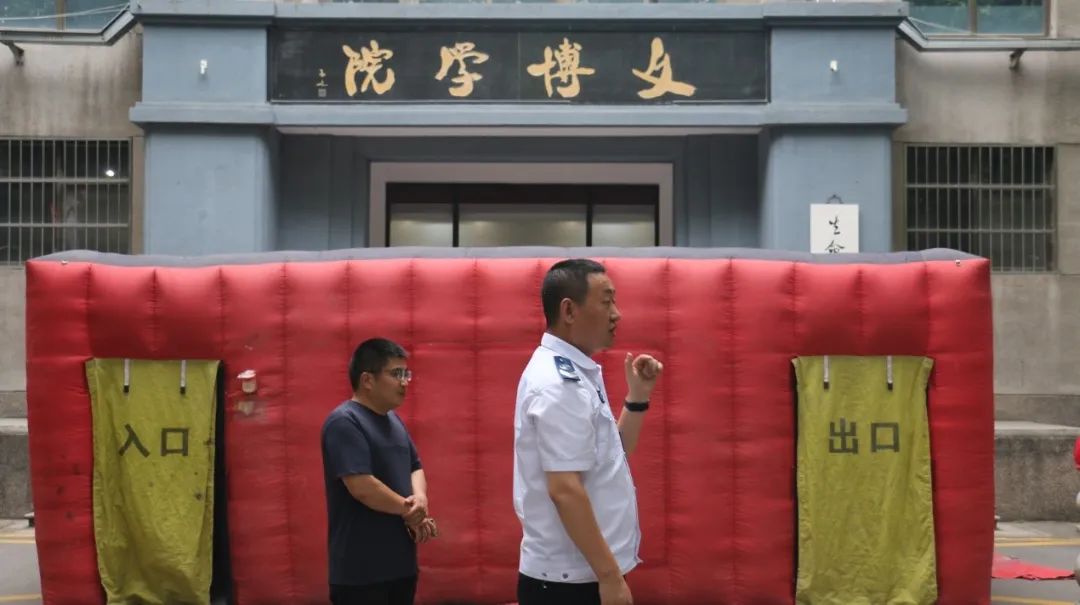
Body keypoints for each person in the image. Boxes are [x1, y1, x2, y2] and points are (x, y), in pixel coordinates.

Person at [513, 259, 664, 605]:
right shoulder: (558, 384)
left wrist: (637, 398)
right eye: (606, 301)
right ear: (569, 311)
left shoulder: (576, 373)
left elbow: (611, 457)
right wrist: (610, 578)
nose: (617, 314)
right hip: (571, 583)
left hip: (584, 573)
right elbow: (564, 489)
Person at [321, 338, 438, 605]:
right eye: (396, 374)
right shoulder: (344, 422)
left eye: (406, 374)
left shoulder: (394, 421)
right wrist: (411, 511)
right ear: (367, 380)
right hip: (361, 574)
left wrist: (420, 500)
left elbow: (415, 467)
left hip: (400, 568)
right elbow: (362, 486)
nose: (404, 382)